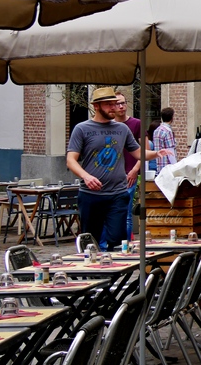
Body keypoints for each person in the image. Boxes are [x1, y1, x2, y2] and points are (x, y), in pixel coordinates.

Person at [66, 87, 171, 250]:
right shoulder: (82, 129)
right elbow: (71, 160)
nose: (114, 108)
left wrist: (156, 153)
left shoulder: (122, 129)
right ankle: (94, 274)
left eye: (114, 104)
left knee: (117, 242)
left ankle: (115, 273)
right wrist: (86, 177)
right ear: (96, 106)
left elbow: (138, 152)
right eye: (109, 105)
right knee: (90, 242)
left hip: (117, 194)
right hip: (90, 195)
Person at [112, 91, 140, 243]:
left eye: (123, 103)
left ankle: (126, 246)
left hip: (129, 174)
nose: (121, 106)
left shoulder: (136, 124)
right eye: (117, 103)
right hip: (112, 176)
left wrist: (135, 170)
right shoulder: (109, 125)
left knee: (127, 214)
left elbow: (144, 150)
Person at [153, 107, 176, 172]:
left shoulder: (156, 130)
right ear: (172, 118)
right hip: (168, 167)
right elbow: (170, 151)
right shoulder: (168, 131)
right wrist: (175, 166)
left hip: (159, 166)